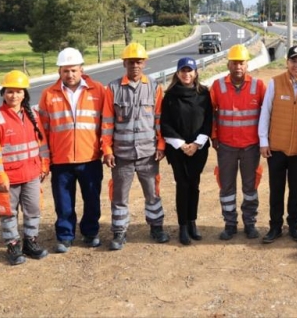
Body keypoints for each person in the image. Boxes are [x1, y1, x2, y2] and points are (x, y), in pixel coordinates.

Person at [38, 47, 108, 253]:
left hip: (90, 157)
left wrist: (105, 149)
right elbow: (43, 129)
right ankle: (65, 235)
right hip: (61, 159)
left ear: (81, 69)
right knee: (64, 202)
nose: (70, 75)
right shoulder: (49, 94)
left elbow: (106, 123)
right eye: (65, 70)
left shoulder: (98, 90)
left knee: (92, 199)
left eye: (74, 70)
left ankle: (91, 232)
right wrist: (46, 159)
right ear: (60, 71)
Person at [102, 42, 170, 250]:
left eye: (139, 62)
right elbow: (107, 123)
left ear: (144, 63)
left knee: (152, 193)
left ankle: (156, 227)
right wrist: (107, 150)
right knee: (120, 196)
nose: (135, 66)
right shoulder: (113, 88)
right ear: (124, 63)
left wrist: (161, 145)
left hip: (148, 154)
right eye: (131, 62)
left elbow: (159, 119)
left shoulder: (154, 87)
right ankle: (119, 232)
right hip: (122, 155)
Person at [0, 71, 50, 265]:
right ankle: (13, 245)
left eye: (18, 92)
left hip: (31, 174)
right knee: (8, 212)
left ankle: (31, 241)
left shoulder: (33, 116)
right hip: (8, 177)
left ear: (24, 94)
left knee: (33, 209)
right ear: (3, 93)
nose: (14, 96)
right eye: (10, 91)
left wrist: (44, 165)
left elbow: (42, 144)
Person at [258, 45, 297, 243]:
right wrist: (263, 141)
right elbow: (265, 113)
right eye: (294, 61)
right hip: (276, 147)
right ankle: (275, 227)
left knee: (296, 190)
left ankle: (294, 226)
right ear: (287, 62)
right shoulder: (275, 83)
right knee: (276, 189)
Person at [210, 45, 266, 241]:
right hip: (226, 146)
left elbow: (267, 114)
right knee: (227, 187)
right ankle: (230, 224)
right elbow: (211, 114)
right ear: (228, 65)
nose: (238, 67)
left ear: (247, 64)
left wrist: (264, 140)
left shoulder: (258, 86)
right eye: (234, 63)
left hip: (251, 146)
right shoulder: (217, 86)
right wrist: (214, 136)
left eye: (241, 63)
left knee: (250, 188)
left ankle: (250, 223)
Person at [161, 57, 213, 245]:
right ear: (177, 73)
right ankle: (182, 226)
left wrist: (197, 144)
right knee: (182, 185)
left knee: (194, 185)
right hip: (177, 150)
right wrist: (182, 145)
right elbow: (165, 123)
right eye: (183, 71)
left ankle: (192, 222)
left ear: (196, 73)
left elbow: (208, 121)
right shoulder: (170, 95)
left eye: (190, 70)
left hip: (198, 148)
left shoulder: (204, 94)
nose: (186, 74)